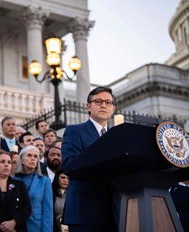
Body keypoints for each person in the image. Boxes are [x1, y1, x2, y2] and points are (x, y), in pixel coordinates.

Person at [62, 86, 118, 232]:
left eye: (108, 102)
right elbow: (69, 165)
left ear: (113, 109)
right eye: (98, 101)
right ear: (88, 106)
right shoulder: (75, 130)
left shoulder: (116, 137)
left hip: (114, 212)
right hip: (84, 211)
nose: (104, 105)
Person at [14, 145, 53, 232]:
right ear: (22, 160)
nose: (33, 158)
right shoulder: (13, 180)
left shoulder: (45, 181)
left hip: (36, 227)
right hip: (16, 226)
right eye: (29, 155)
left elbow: (48, 211)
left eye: (35, 156)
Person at [52, 167, 69, 232]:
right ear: (57, 178)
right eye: (63, 177)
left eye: (68, 178)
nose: (65, 181)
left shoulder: (75, 195)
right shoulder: (50, 192)